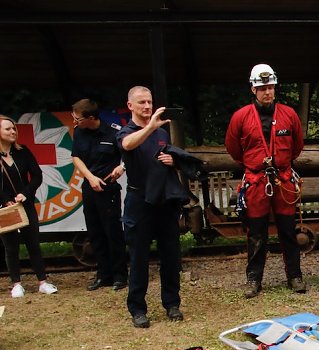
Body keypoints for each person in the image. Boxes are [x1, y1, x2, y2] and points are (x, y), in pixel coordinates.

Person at [225, 63, 307, 298]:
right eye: (262, 88)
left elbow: (297, 146)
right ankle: (254, 279)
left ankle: (294, 276)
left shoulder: (289, 115)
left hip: (282, 179)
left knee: (288, 231)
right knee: (256, 232)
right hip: (257, 181)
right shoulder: (240, 117)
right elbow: (233, 148)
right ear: (253, 89)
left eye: (270, 87)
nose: (267, 92)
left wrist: (282, 163)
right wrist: (253, 165)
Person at [116, 86, 184, 328]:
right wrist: (150, 127)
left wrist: (173, 160)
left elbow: (169, 156)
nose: (147, 106)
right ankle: (137, 308)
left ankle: (172, 303)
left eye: (150, 102)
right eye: (141, 102)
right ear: (130, 105)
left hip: (164, 200)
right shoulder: (128, 131)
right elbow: (127, 145)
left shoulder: (161, 131)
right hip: (139, 201)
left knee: (170, 254)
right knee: (139, 257)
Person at [70, 98, 128, 291]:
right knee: (95, 233)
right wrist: (90, 177)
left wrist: (121, 168)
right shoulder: (79, 132)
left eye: (78, 118)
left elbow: (129, 154)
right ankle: (103, 275)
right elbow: (76, 157)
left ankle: (120, 275)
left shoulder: (114, 131)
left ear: (91, 118)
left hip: (108, 188)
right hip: (89, 187)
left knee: (113, 232)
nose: (75, 121)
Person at [0, 115, 58, 298]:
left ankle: (43, 282)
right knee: (10, 246)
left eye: (14, 129)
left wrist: (25, 193)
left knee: (33, 243)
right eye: (8, 129)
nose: (13, 132)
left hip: (25, 204)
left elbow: (37, 175)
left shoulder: (22, 151)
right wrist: (5, 200)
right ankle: (16, 284)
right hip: (5, 208)